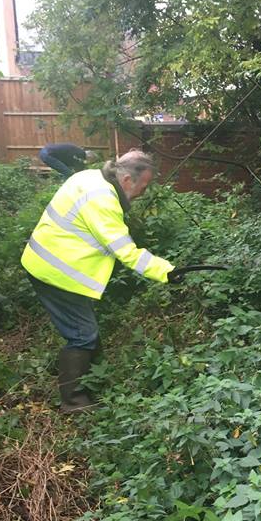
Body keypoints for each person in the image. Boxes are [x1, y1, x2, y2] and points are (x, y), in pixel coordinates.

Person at [21, 150, 183, 412]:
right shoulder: (103, 201)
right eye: (143, 185)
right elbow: (127, 253)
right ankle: (73, 402)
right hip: (55, 273)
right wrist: (167, 271)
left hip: (48, 263)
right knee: (83, 335)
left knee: (85, 331)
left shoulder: (90, 177)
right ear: (128, 179)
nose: (143, 192)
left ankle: (91, 381)